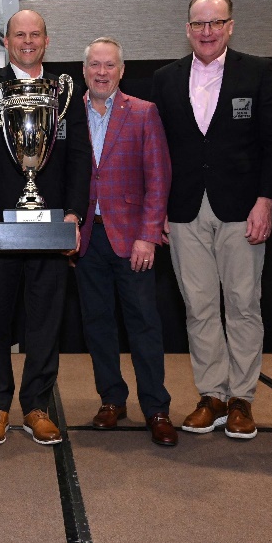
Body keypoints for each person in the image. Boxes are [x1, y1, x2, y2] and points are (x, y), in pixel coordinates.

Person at [150, 0, 272, 440]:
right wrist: (159, 209)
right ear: (187, 29)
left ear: (230, 26)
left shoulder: (258, 72)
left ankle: (243, 397)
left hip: (242, 210)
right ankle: (212, 395)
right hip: (184, 210)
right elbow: (158, 152)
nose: (207, 32)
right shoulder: (165, 79)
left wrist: (266, 200)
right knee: (199, 306)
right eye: (198, 24)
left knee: (244, 304)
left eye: (216, 23)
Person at [0, 9, 92, 446]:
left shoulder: (68, 89)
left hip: (50, 227)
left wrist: (74, 213)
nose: (28, 41)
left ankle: (36, 405)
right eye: (20, 34)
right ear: (6, 40)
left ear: (47, 41)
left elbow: (78, 156)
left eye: (35, 34)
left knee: (45, 321)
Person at [75, 37, 176, 446]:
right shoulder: (66, 115)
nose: (102, 72)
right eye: (95, 65)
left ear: (121, 70)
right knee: (97, 324)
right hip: (84, 239)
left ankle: (156, 407)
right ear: (84, 71)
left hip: (132, 238)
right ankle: (111, 400)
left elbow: (159, 179)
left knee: (144, 325)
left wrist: (148, 236)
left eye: (109, 66)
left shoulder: (144, 113)